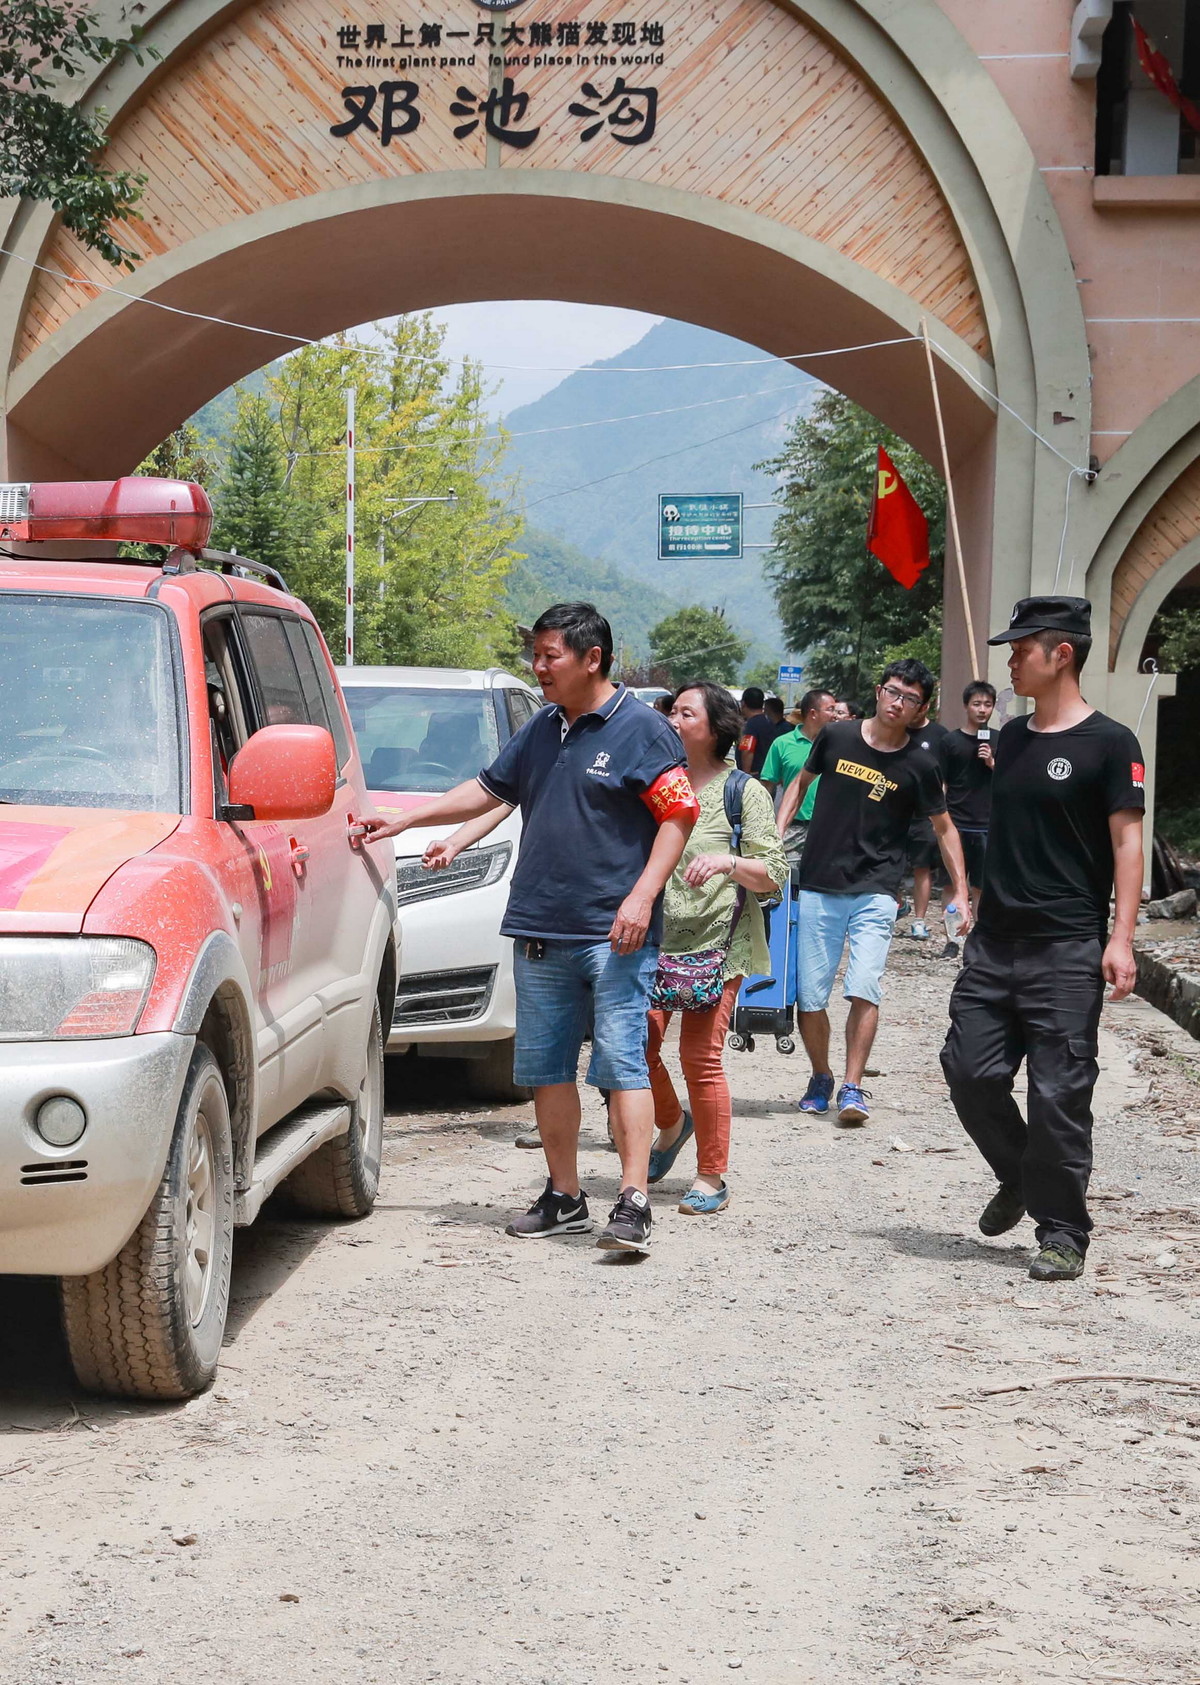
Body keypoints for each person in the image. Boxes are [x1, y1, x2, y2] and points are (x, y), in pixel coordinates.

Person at [359, 602, 699, 1254]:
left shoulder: (642, 730)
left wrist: (641, 897)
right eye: (535, 656)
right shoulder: (545, 727)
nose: (538, 667)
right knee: (547, 1071)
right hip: (541, 928)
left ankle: (631, 1201)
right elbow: (489, 789)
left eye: (550, 656)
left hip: (614, 933)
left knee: (623, 1064)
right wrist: (407, 821)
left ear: (591, 657)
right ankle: (565, 1195)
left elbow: (677, 818)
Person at [940, 597, 1145, 1283]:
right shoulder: (1015, 738)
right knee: (969, 1071)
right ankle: (1018, 1174)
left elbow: (1127, 842)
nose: (1009, 660)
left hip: (1066, 950)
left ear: (1061, 654)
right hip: (995, 943)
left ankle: (1063, 1231)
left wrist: (1121, 938)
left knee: (1059, 1093)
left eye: (1021, 648)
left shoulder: (1112, 743)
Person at [776, 659, 971, 1125]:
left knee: (865, 986)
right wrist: (775, 839)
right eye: (892, 691)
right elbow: (800, 783)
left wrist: (960, 890)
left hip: (877, 888)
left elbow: (944, 828)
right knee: (812, 996)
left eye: (909, 698)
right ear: (879, 691)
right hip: (821, 881)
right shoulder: (837, 736)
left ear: (921, 709)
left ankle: (852, 1086)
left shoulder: (920, 763)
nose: (897, 702)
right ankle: (820, 1075)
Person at [644, 683, 787, 1213]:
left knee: (699, 1059)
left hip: (718, 944)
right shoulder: (657, 784)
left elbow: (772, 874)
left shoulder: (742, 791)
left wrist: (729, 863)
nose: (674, 720)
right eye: (671, 711)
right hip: (654, 939)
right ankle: (670, 1123)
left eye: (686, 712)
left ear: (715, 726)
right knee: (635, 1050)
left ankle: (711, 1176)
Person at [761, 687, 837, 868]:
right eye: (831, 709)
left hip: (828, 828)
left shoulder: (839, 744)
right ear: (813, 713)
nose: (835, 715)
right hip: (792, 828)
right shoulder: (783, 744)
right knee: (784, 880)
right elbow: (766, 789)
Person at [937, 681, 996, 913]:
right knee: (952, 884)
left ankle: (977, 940)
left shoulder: (1000, 739)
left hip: (987, 824)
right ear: (966, 706)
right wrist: (940, 820)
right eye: (977, 704)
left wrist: (992, 763)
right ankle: (952, 939)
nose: (982, 709)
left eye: (988, 704)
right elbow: (941, 782)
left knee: (981, 886)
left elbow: (1010, 780)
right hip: (955, 822)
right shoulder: (950, 742)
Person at [904, 700, 951, 940]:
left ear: (926, 707)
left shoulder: (940, 735)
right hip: (894, 810)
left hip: (924, 814)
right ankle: (898, 903)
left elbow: (944, 777)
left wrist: (937, 808)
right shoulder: (895, 730)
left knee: (921, 867)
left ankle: (919, 920)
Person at [737, 687, 775, 775]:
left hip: (754, 775)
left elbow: (747, 750)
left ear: (743, 703)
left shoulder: (750, 725)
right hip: (768, 773)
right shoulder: (769, 722)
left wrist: (745, 775)